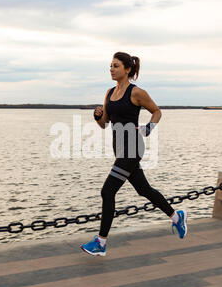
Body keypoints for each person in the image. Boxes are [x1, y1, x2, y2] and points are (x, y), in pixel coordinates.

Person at [80, 52, 187, 256]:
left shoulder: (136, 92)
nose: (111, 69)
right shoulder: (109, 93)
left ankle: (101, 243)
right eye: (110, 65)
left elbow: (157, 111)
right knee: (144, 189)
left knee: (107, 191)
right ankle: (176, 217)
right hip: (119, 149)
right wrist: (97, 117)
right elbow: (104, 125)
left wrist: (148, 129)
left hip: (133, 148)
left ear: (127, 69)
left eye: (116, 66)